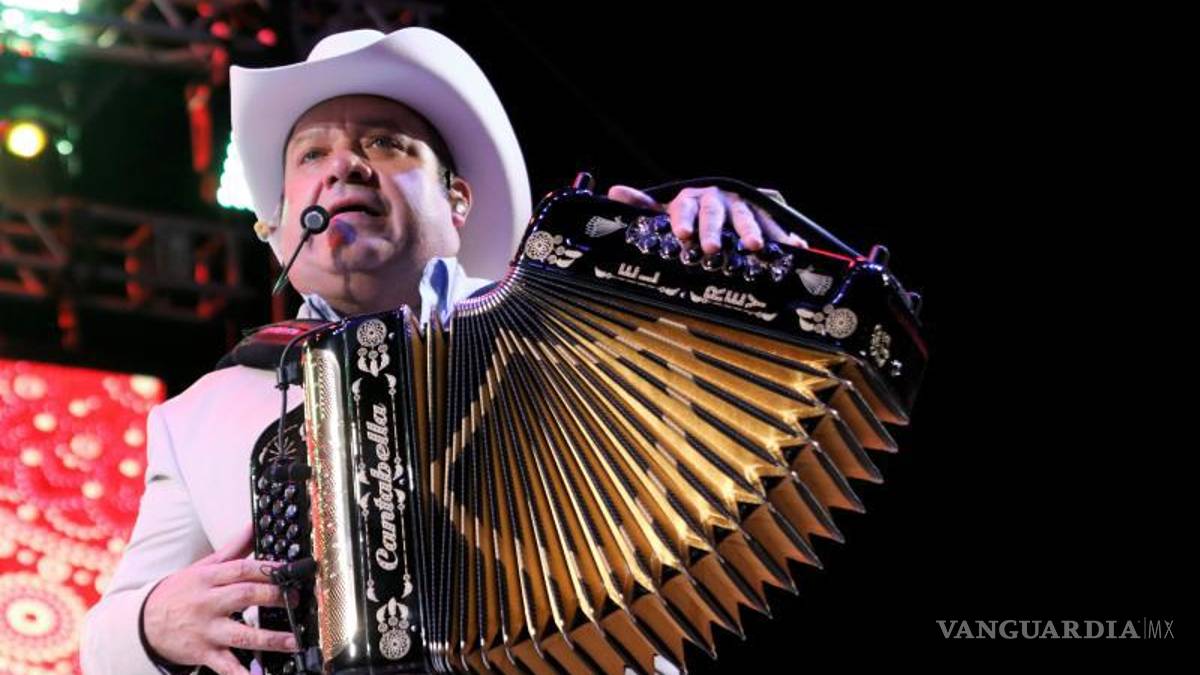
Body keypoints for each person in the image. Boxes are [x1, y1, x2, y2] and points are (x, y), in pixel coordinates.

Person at [80, 27, 805, 675]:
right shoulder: (198, 414)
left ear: (457, 201)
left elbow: (760, 401)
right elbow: (104, 644)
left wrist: (729, 254)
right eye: (313, 153)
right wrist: (152, 624)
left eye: (385, 144)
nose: (345, 165)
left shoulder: (578, 323)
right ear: (275, 226)